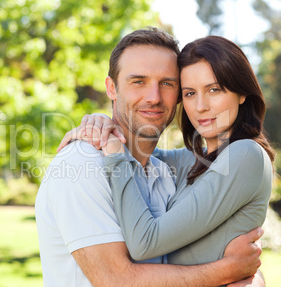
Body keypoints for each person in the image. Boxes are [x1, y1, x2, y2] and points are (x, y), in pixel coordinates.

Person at [36, 28, 264, 287]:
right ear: (112, 88)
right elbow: (116, 281)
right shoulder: (81, 165)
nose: (154, 97)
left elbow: (223, 247)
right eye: (138, 81)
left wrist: (253, 277)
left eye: (167, 83)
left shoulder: (167, 171)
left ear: (177, 95)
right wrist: (228, 271)